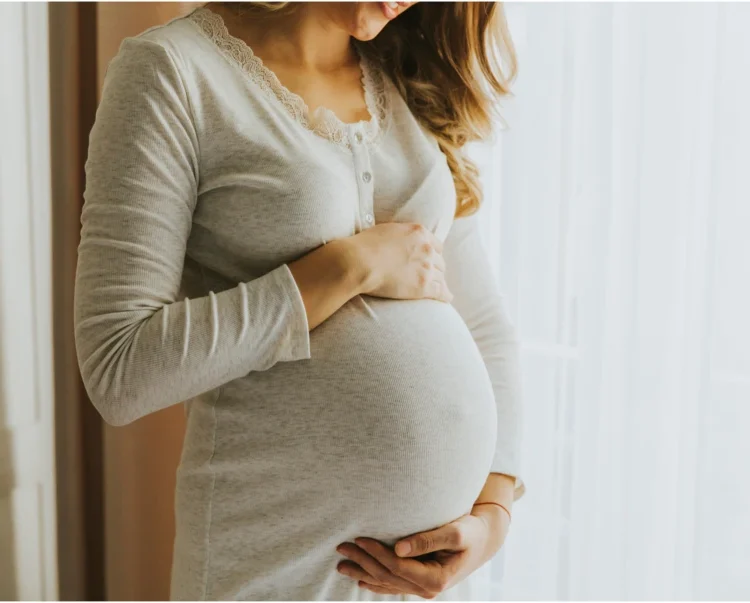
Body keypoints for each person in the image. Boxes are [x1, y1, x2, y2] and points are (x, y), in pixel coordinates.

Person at [74, 1, 525, 599]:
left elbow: (485, 325)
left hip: (419, 578)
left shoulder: (407, 74)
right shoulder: (175, 72)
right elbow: (118, 369)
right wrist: (344, 269)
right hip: (274, 564)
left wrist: (493, 513)